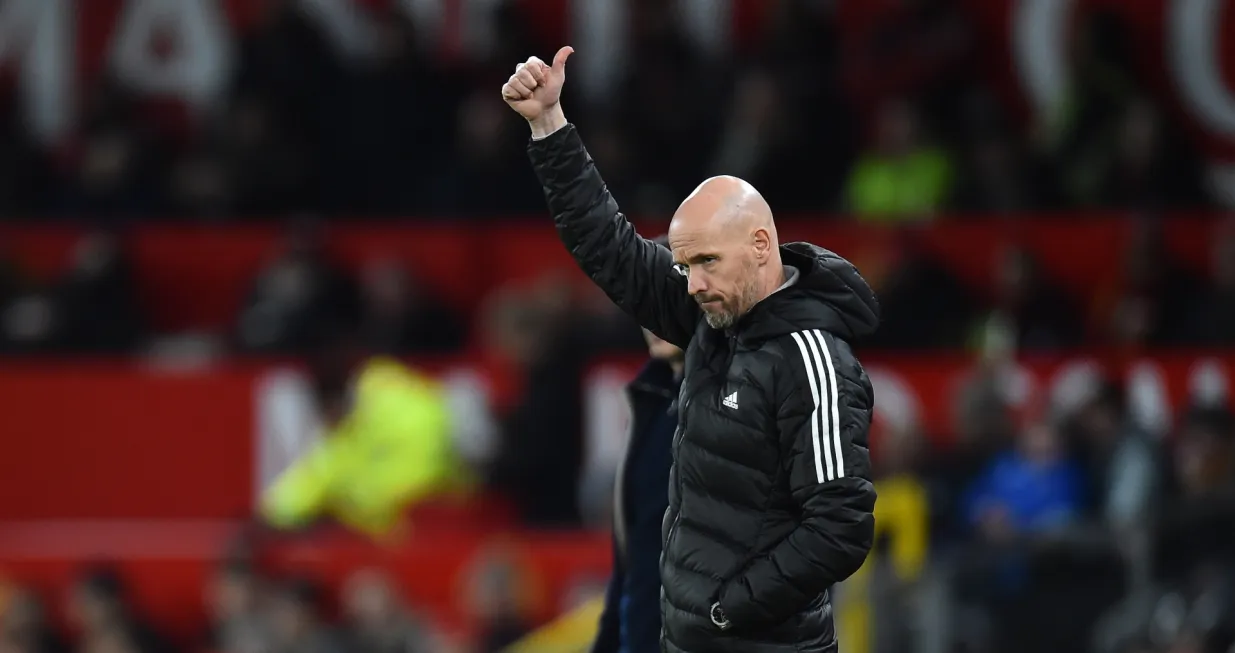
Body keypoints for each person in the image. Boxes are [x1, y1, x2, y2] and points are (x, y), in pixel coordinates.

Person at [503, 47, 880, 653]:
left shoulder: (814, 360)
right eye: (683, 265)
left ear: (761, 245)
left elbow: (841, 526)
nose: (692, 281)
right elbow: (611, 250)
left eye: (706, 261)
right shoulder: (714, 313)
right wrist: (548, 125)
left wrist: (728, 612)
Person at [594, 278, 685, 653]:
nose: (651, 319)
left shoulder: (736, 405)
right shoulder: (648, 402)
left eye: (665, 302)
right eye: (644, 305)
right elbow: (632, 560)